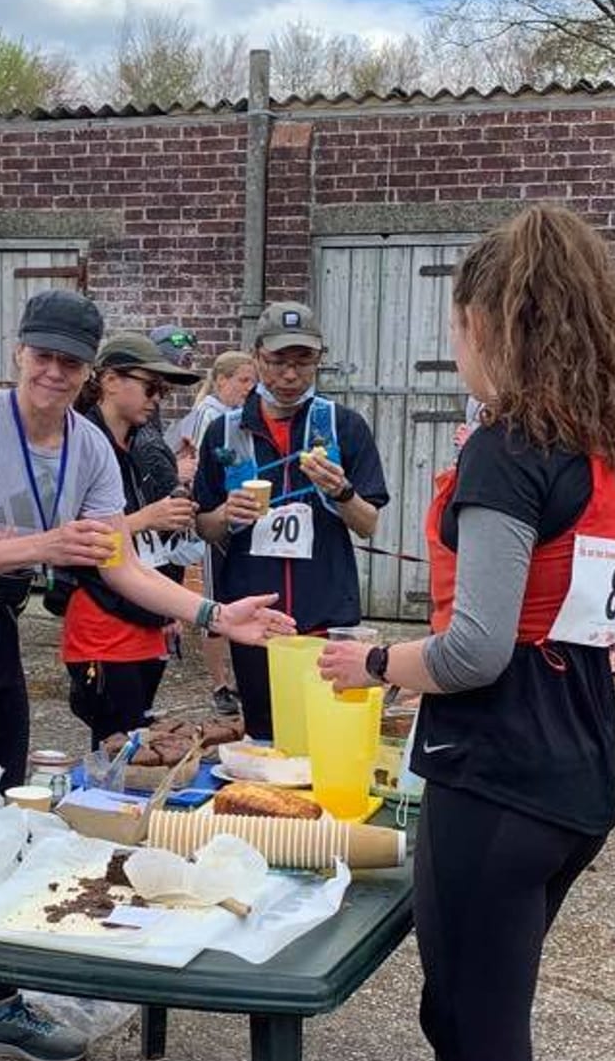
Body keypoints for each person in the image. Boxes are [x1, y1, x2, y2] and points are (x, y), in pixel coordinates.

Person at [317, 203, 615, 1061]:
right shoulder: (608, 455)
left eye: (457, 326)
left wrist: (370, 665)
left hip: (496, 782)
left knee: (482, 1054)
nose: (453, 346)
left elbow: (469, 648)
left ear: (490, 324)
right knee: (470, 1027)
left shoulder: (509, 452)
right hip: (576, 782)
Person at [0, 290, 292, 1061]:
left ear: (90, 371)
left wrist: (213, 615)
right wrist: (44, 542)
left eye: (70, 361)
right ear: (19, 352)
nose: (53, 373)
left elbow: (117, 563)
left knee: (0, 817)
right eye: (42, 356)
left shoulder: (91, 450)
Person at [193, 303, 388, 740]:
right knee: (264, 739)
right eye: (278, 362)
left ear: (319, 359)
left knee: (326, 736)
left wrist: (342, 492)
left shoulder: (343, 426)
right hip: (254, 619)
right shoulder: (224, 433)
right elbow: (204, 527)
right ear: (258, 357)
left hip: (324, 613)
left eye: (303, 362)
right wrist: (226, 513)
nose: (289, 376)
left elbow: (368, 523)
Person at [61, 333, 201, 746]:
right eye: (149, 386)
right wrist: (145, 518)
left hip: (144, 614)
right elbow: (68, 535)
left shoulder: (140, 442)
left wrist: (168, 607)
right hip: (102, 618)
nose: (157, 397)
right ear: (108, 381)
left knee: (137, 742)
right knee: (116, 745)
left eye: (162, 389)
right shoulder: (80, 441)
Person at [168, 350, 257, 717]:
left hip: (238, 522)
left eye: (254, 381)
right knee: (216, 603)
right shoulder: (210, 417)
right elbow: (202, 471)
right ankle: (219, 684)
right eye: (243, 381)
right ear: (221, 381)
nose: (250, 388)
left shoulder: (239, 418)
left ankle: (237, 681)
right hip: (214, 525)